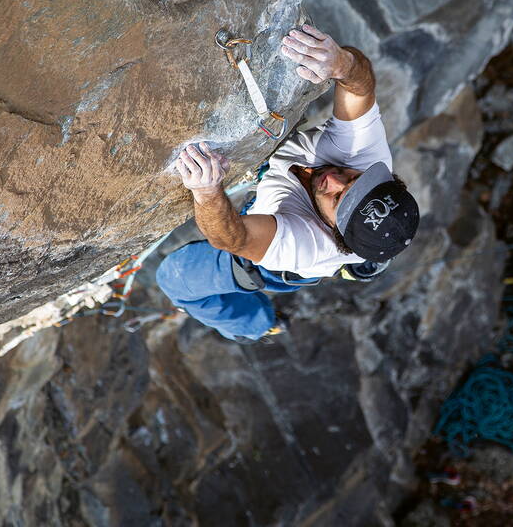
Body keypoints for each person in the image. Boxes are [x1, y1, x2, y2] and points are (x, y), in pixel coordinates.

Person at [155, 24, 420, 342]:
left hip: (277, 262)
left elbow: (232, 238)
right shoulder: (368, 159)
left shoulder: (305, 245)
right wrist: (341, 64)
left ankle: (258, 325)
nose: (332, 178)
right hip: (297, 195)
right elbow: (360, 86)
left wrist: (207, 191)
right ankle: (364, 260)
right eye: (354, 179)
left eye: (338, 199)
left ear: (334, 231)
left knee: (173, 278)